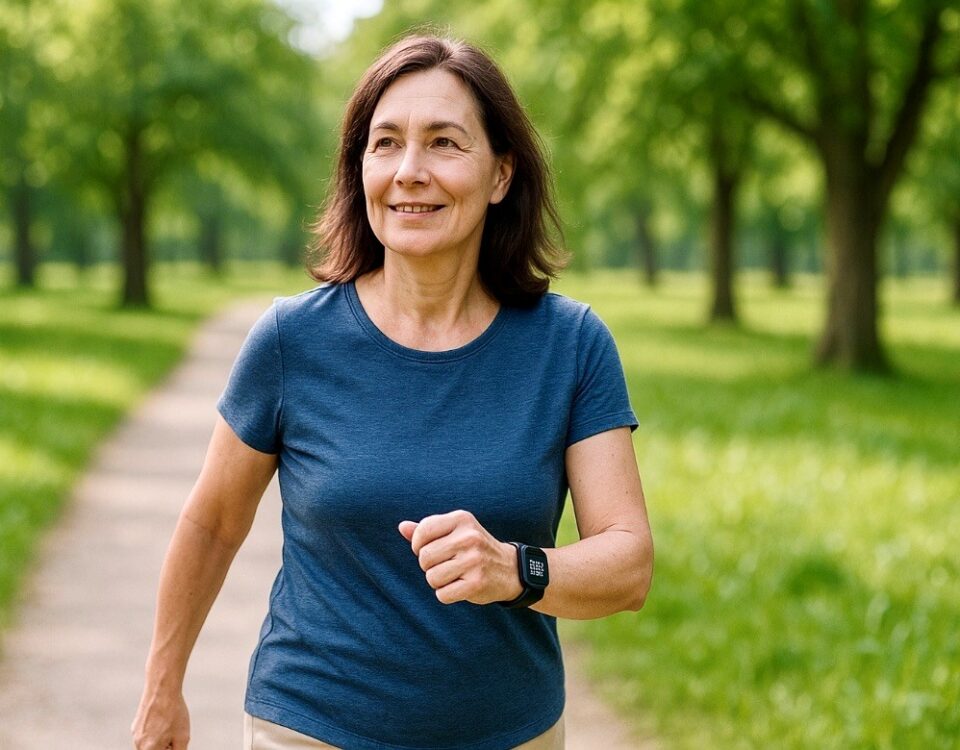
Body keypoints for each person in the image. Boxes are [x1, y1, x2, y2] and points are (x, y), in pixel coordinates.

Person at [132, 34, 653, 750]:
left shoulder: (570, 346)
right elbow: (213, 522)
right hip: (308, 729)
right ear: (361, 168)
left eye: (444, 143)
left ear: (501, 174)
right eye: (386, 144)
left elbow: (627, 561)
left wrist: (513, 568)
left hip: (511, 735)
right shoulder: (292, 341)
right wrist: (162, 689)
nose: (410, 171)